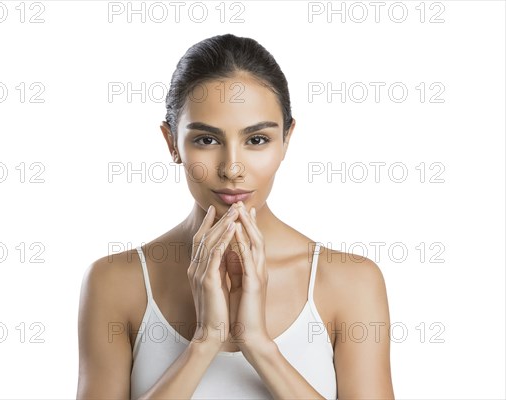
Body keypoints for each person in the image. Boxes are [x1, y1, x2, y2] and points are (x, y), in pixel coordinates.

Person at [76, 33, 395, 399]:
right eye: (206, 140)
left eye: (257, 139)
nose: (232, 168)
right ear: (171, 143)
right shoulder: (115, 282)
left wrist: (258, 345)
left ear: (286, 140)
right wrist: (204, 342)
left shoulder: (350, 282)